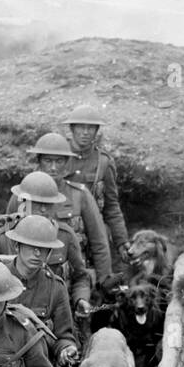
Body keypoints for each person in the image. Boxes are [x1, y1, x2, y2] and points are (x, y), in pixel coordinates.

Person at [0, 136, 114, 286]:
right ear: (39, 161)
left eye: (59, 161)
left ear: (67, 163)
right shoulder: (22, 195)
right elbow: (6, 237)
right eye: (48, 161)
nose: (53, 167)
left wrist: (104, 282)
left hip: (70, 277)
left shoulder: (79, 195)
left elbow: (99, 241)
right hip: (25, 278)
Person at [0, 214, 82, 367]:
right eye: (31, 247)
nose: (38, 253)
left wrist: (66, 349)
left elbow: (63, 335)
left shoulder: (55, 287)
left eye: (44, 249)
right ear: (17, 246)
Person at [64, 105, 131, 271]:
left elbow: (111, 207)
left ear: (96, 131)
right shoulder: (57, 156)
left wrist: (121, 241)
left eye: (90, 128)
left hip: (92, 232)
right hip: (61, 228)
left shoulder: (103, 163)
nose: (85, 132)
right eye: (81, 127)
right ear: (72, 128)